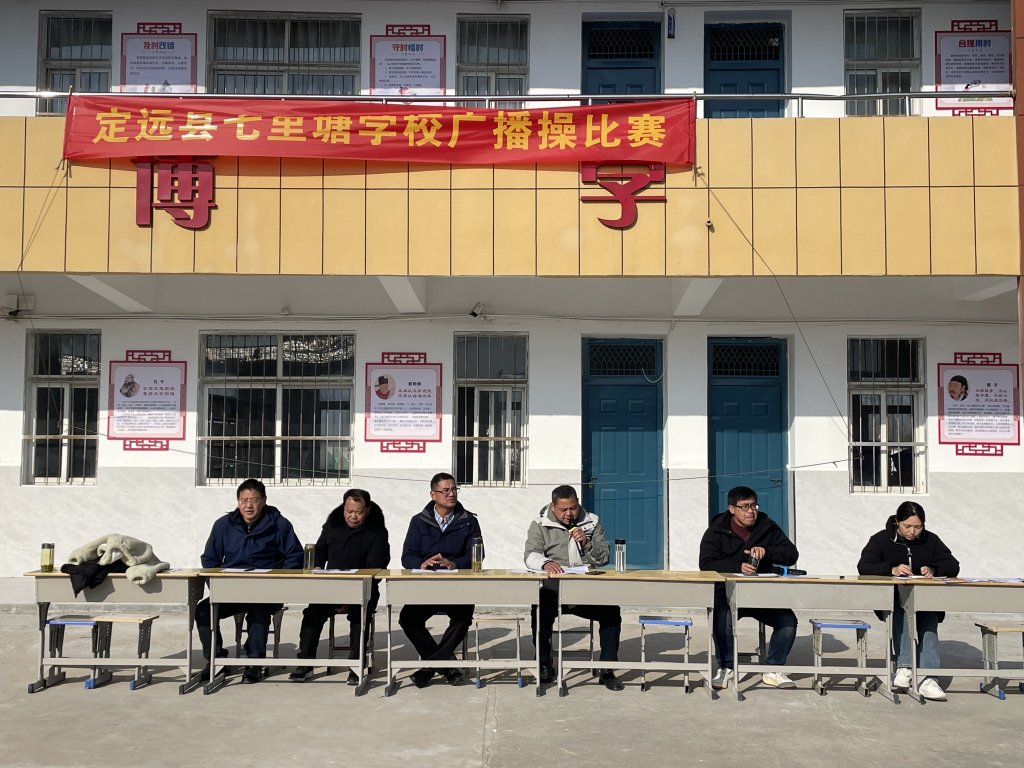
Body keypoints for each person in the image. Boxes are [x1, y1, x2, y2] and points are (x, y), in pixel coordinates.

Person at [196, 478, 303, 684]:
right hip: (232, 590)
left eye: (254, 500)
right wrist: (218, 586)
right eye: (244, 500)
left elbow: (294, 557)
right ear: (238, 502)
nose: (249, 506)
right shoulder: (223, 525)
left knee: (258, 610)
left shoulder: (279, 524)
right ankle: (216, 660)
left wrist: (278, 583)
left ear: (264, 500)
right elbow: (209, 560)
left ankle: (254, 662)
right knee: (203, 610)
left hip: (267, 591)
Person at [524, 484, 624, 691]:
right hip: (554, 588)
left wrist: (586, 543)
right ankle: (544, 663)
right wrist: (545, 563)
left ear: (578, 503)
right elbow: (530, 554)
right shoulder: (540, 524)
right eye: (563, 509)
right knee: (539, 612)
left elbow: (603, 558)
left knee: (612, 612)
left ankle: (607, 669)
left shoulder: (592, 522)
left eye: (573, 508)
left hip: (585, 589)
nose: (569, 514)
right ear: (553, 506)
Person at [857, 501, 960, 701]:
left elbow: (953, 565)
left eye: (918, 527)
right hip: (894, 598)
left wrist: (933, 570)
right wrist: (891, 569)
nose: (913, 532)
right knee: (901, 612)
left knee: (928, 624)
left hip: (926, 598)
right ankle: (904, 667)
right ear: (897, 522)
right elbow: (864, 566)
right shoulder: (880, 540)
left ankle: (929, 678)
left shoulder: (931, 540)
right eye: (908, 526)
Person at [699, 485, 799, 690]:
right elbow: (706, 563)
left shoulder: (768, 527)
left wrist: (767, 551)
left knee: (788, 621)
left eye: (753, 505)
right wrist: (737, 567)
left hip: (761, 594)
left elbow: (791, 554)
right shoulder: (716, 531)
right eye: (744, 507)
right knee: (721, 619)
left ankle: (773, 670)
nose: (750, 511)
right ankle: (726, 667)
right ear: (732, 509)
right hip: (728, 593)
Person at [290, 489, 390, 684]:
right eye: (349, 511)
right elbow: (319, 550)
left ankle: (356, 665)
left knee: (359, 617)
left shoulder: (377, 531)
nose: (353, 516)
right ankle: (305, 663)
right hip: (332, 587)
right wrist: (317, 566)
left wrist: (351, 594)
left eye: (358, 512)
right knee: (312, 614)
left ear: (367, 510)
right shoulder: (332, 525)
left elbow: (377, 566)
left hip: (365, 589)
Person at [399, 472, 482, 688]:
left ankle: (429, 668)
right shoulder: (419, 521)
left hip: (456, 587)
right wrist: (421, 563)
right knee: (407, 619)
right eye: (446, 490)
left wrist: (455, 564)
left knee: (463, 617)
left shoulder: (468, 521)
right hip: (427, 587)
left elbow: (477, 555)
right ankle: (447, 667)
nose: (451, 494)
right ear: (433, 494)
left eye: (454, 489)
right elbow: (407, 557)